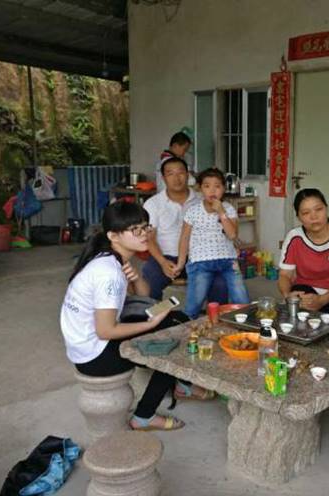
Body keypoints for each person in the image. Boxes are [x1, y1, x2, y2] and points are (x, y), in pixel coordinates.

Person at [60, 202, 185, 431]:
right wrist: (151, 324)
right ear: (113, 236)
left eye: (145, 227)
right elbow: (106, 331)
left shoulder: (109, 258)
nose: (144, 234)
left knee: (178, 319)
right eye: (135, 229)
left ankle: (183, 385)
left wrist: (135, 278)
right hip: (96, 357)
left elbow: (143, 297)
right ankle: (145, 415)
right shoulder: (108, 273)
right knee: (175, 340)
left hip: (86, 346)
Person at [142, 156, 228, 303]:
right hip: (165, 256)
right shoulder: (153, 204)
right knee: (150, 276)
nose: (177, 178)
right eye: (170, 174)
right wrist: (163, 262)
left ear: (188, 175)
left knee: (220, 282)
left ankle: (216, 315)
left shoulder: (203, 199)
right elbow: (149, 238)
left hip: (200, 256)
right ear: (163, 178)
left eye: (181, 173)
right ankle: (154, 315)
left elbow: (221, 228)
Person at [177, 168, 250, 318]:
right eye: (207, 186)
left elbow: (232, 235)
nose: (212, 190)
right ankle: (185, 324)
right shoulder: (193, 211)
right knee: (194, 303)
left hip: (228, 261)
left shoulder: (228, 209)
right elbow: (184, 239)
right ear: (200, 189)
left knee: (241, 298)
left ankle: (246, 325)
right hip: (200, 262)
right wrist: (180, 263)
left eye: (217, 186)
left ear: (223, 189)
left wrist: (221, 212)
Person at [278, 188, 329, 314]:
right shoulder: (294, 237)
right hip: (304, 293)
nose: (314, 217)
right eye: (306, 213)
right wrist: (288, 296)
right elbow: (284, 275)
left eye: (319, 209)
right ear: (298, 217)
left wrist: (322, 300)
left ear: (326, 209)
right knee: (300, 301)